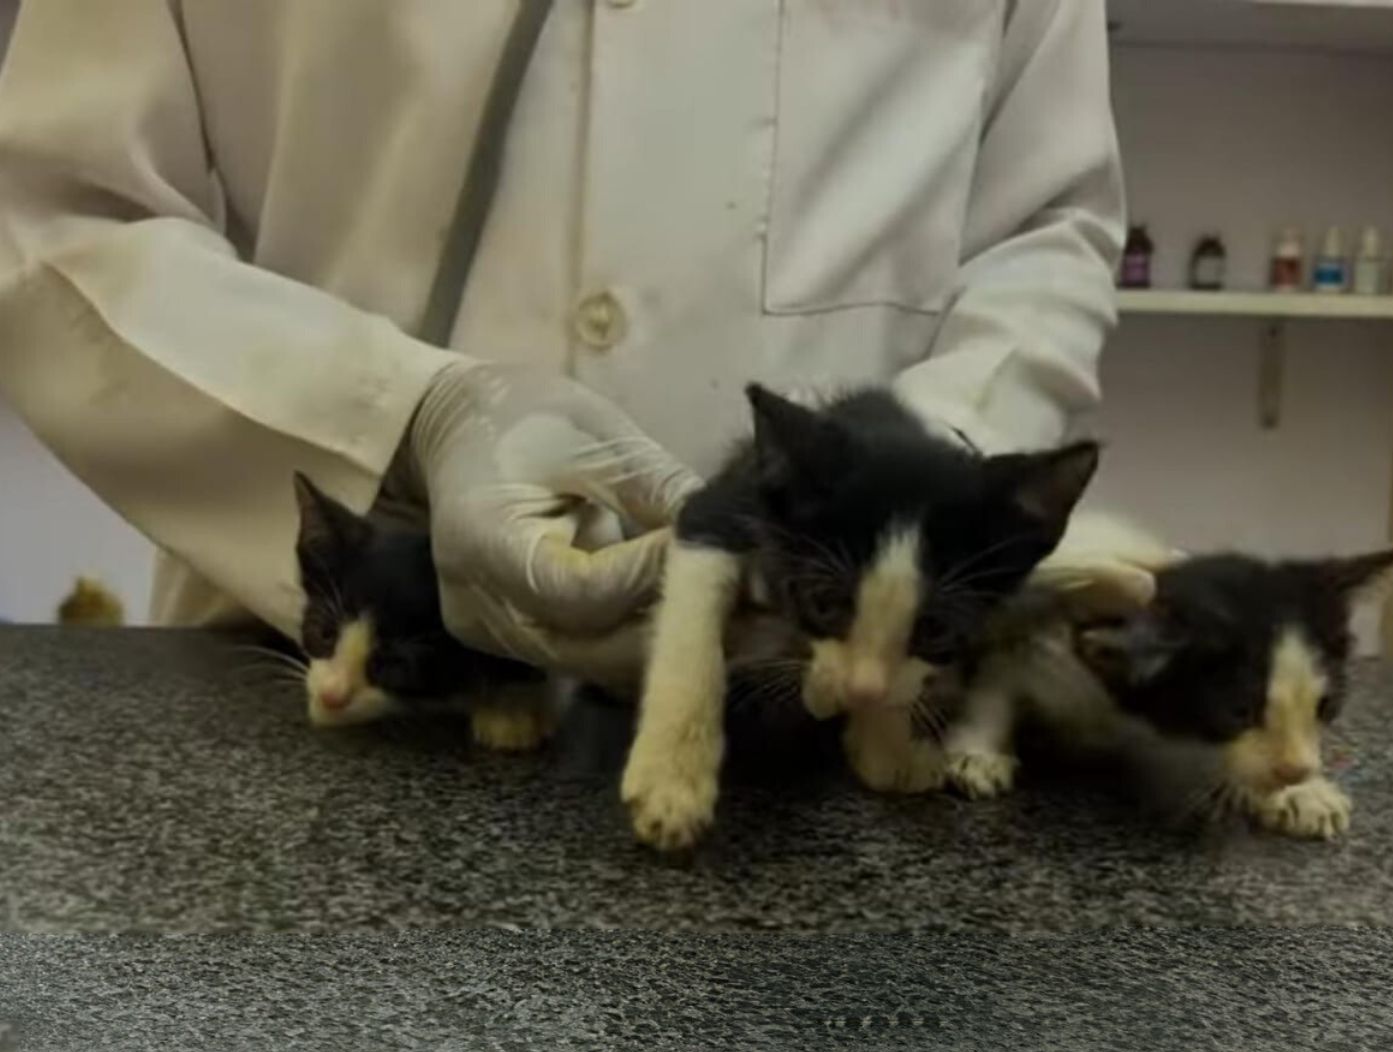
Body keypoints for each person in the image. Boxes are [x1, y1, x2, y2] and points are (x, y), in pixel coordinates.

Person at [0, 0, 1123, 678]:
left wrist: (920, 519)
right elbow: (53, 206)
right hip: (328, 675)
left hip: (813, 698)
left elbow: (1040, 226)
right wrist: (398, 418)